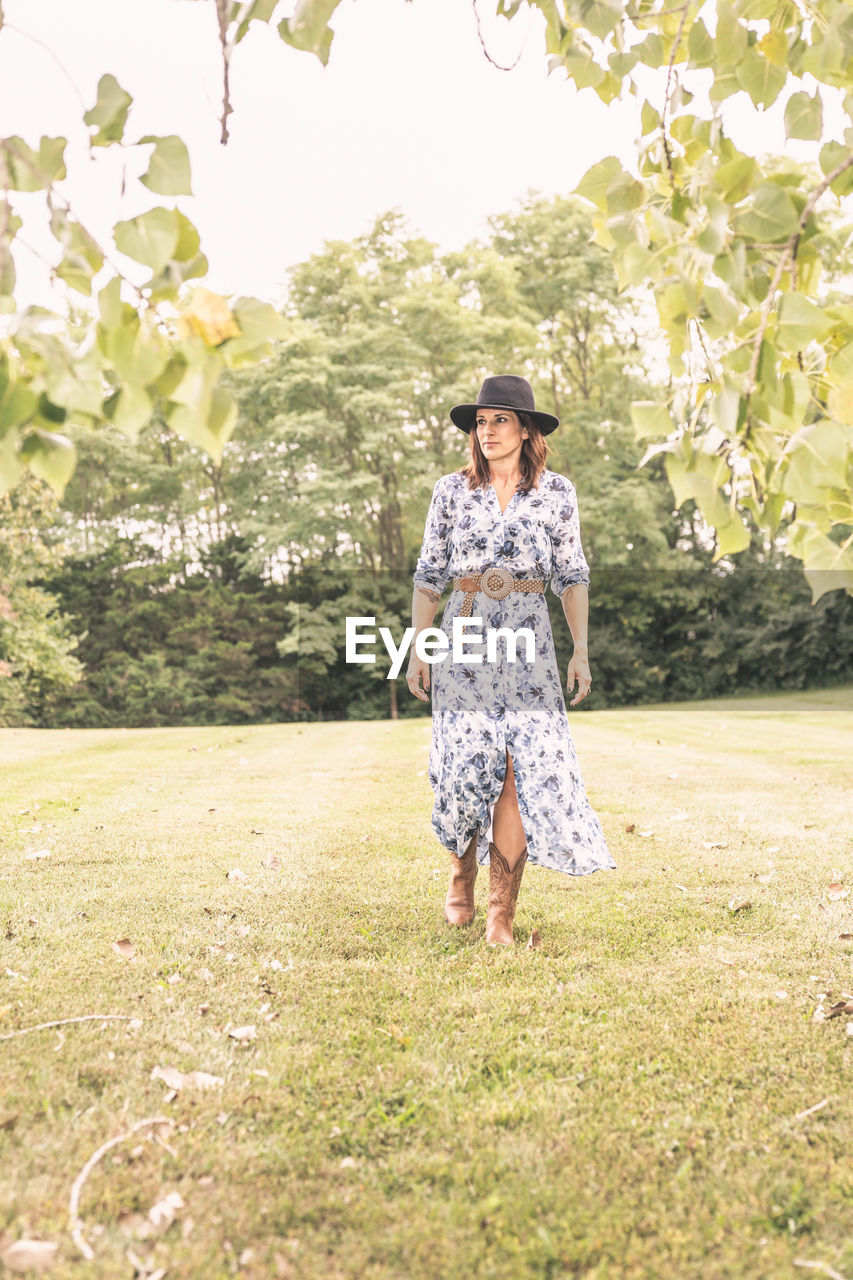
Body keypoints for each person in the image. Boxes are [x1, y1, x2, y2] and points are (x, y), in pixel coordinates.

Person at [406, 374, 616, 947]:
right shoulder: (450, 492)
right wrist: (420, 647)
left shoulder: (557, 494)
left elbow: (571, 576)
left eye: (500, 420)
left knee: (517, 773)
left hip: (529, 638)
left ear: (526, 429)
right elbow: (430, 575)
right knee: (466, 761)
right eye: (481, 421)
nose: (488, 431)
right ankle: (461, 869)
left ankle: (501, 911)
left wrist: (581, 649)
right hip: (466, 632)